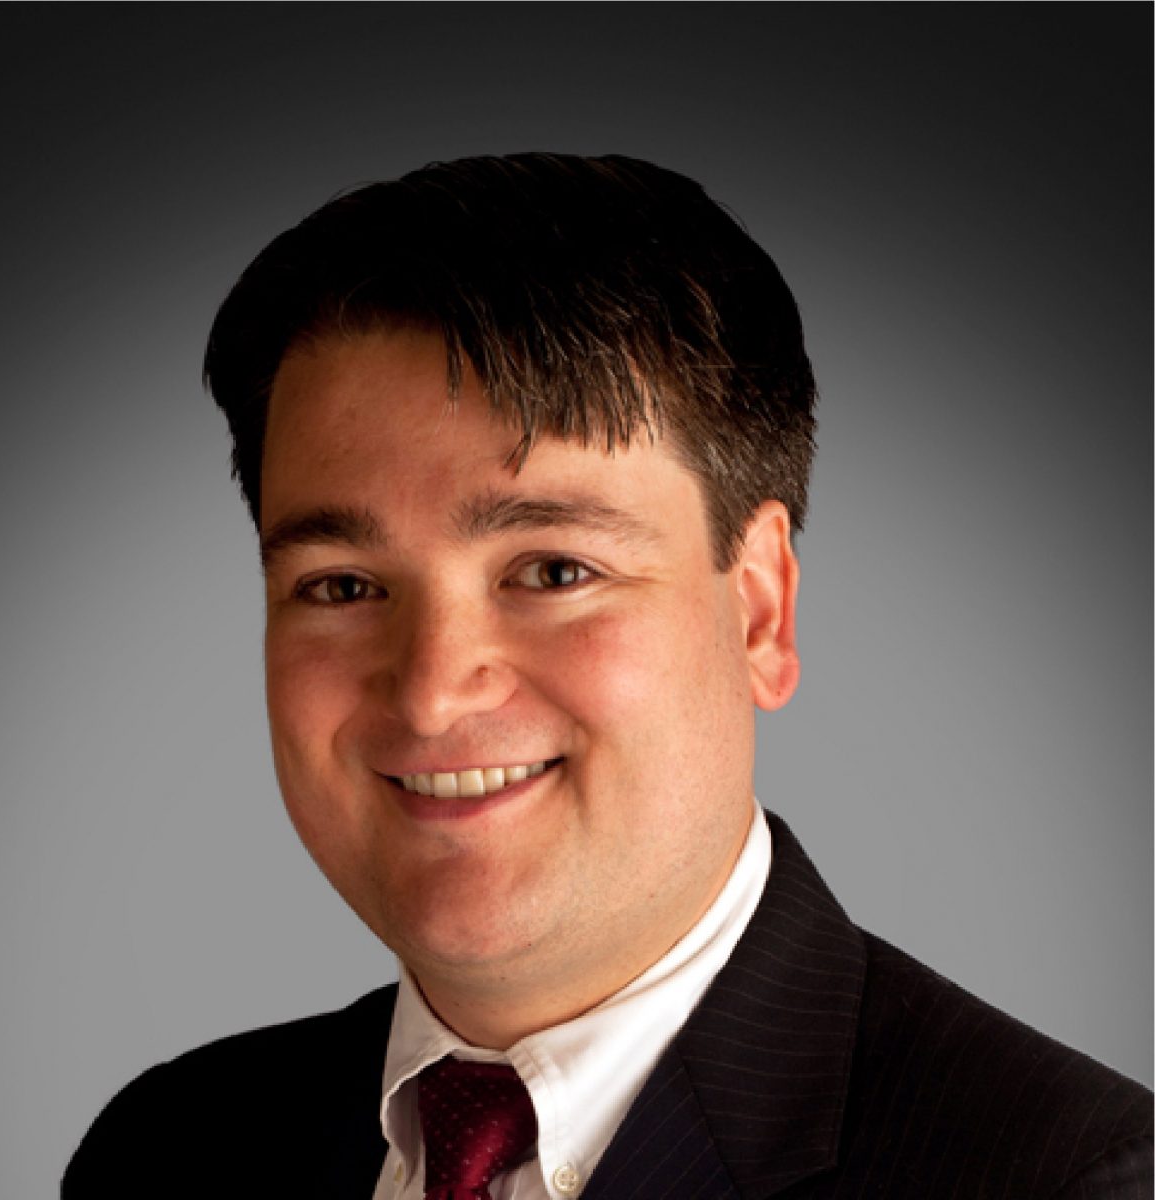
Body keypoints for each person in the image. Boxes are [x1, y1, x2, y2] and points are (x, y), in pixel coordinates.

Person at [63, 154, 1152, 1199]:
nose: (433, 692)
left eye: (551, 570)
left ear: (760, 609)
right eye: (344, 586)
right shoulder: (168, 1151)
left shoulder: (1062, 1176)